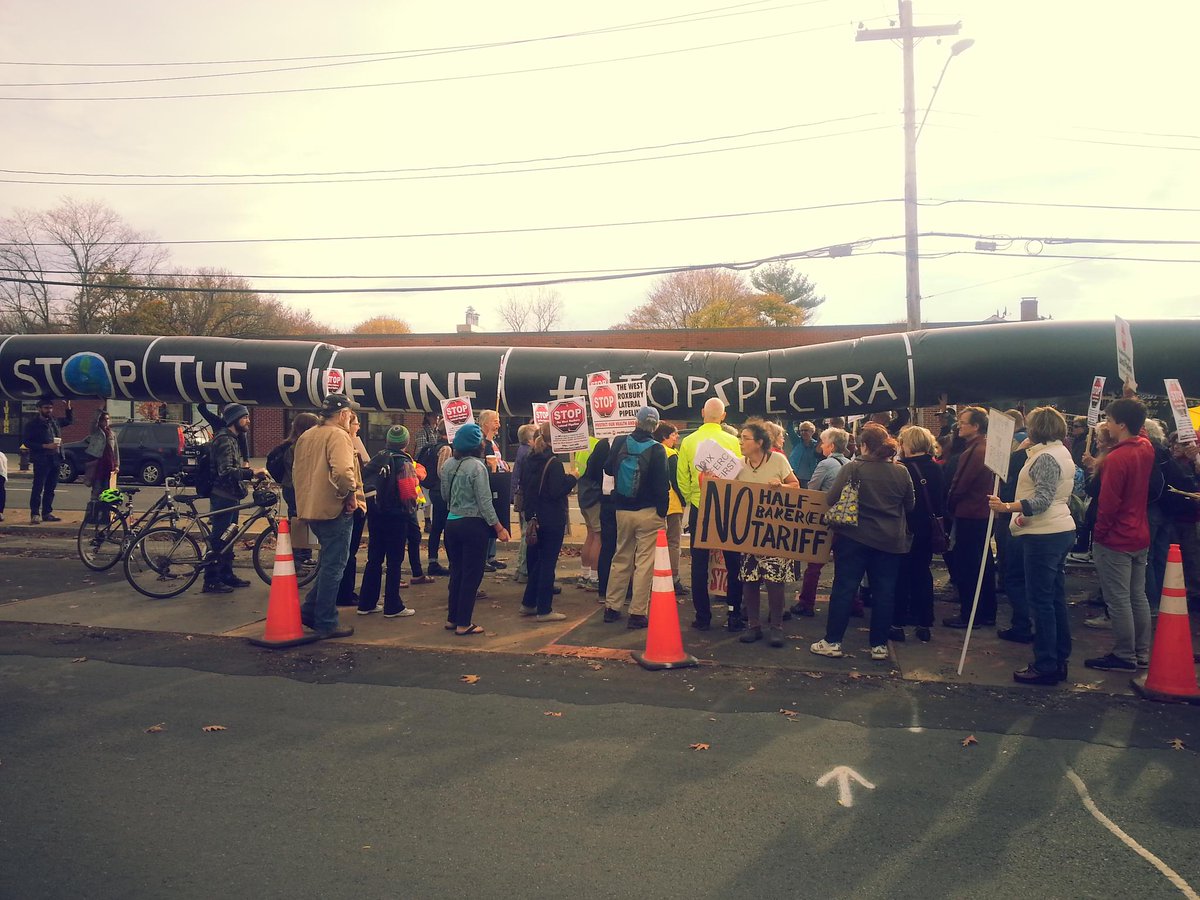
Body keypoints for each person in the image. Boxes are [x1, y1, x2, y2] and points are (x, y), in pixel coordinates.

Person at [986, 407, 1077, 685]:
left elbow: (1041, 500)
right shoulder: (1060, 452)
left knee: (1041, 600)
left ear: (1036, 429)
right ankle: (1057, 657)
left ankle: (1046, 662)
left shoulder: (1046, 457)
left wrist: (1006, 507)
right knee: (1053, 598)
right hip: (1058, 529)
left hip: (1043, 533)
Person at [811, 423, 914, 661]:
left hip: (853, 538)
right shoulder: (901, 472)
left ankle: (833, 641)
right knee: (884, 592)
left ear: (863, 445)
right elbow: (910, 505)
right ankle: (879, 646)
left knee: (845, 588)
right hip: (890, 541)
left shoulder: (853, 468)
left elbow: (830, 497)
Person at [1084, 398, 1155, 672]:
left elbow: (1108, 505)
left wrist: (1099, 535)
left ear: (1121, 424)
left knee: (1119, 599)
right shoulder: (1144, 447)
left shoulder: (1116, 458)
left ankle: (1125, 655)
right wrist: (1130, 394)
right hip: (1139, 533)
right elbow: (1143, 430)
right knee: (1138, 595)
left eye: (1110, 420)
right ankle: (1141, 651)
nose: (1107, 424)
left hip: (1116, 537)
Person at [293, 393, 364, 640]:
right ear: (344, 414)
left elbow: (298, 471)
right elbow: (344, 472)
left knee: (327, 563)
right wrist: (349, 495)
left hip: (311, 507)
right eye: (350, 414)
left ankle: (310, 610)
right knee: (335, 565)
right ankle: (326, 620)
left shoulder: (307, 435)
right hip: (334, 509)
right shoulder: (339, 436)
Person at [677, 397, 745, 632]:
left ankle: (703, 616)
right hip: (726, 506)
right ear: (723, 416)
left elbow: (681, 477)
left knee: (699, 563)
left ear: (702, 413)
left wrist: (691, 499)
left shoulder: (688, 441)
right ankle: (734, 614)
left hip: (700, 506)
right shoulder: (733, 441)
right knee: (733, 561)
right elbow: (739, 474)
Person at [602, 406, 670, 629]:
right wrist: (663, 512)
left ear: (635, 422)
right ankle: (637, 613)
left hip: (622, 510)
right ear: (656, 426)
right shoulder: (658, 450)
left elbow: (608, 469)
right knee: (644, 563)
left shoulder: (621, 441)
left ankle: (612, 607)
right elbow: (662, 486)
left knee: (621, 556)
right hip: (649, 512)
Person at [441, 422, 510, 636]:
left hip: (451, 523)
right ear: (476, 444)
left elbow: (444, 495)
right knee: (472, 575)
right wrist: (499, 527)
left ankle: (453, 618)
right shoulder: (477, 467)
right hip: (473, 526)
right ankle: (464, 623)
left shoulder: (448, 465)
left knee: (457, 572)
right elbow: (485, 501)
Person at [736, 420, 800, 647]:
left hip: (772, 533)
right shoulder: (738, 464)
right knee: (749, 580)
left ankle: (776, 626)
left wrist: (781, 486)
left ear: (759, 442)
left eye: (745, 438)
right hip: (747, 532)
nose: (741, 442)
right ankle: (753, 626)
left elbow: (796, 485)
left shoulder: (778, 460)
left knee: (775, 581)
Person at [357, 425, 420, 619]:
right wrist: (411, 510)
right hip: (396, 516)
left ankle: (366, 602)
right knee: (394, 561)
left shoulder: (378, 458)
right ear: (406, 443)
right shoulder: (403, 462)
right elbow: (409, 493)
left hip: (376, 515)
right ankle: (393, 605)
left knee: (374, 558)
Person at [944, 406, 998, 629]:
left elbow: (960, 485)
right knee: (983, 564)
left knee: (969, 566)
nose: (959, 426)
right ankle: (986, 611)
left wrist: (950, 505)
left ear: (976, 426)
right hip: (983, 513)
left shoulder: (975, 452)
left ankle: (970, 614)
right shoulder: (986, 448)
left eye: (963, 422)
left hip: (971, 514)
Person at [204, 403, 266, 594]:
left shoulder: (234, 438)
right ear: (234, 420)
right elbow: (225, 471)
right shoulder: (224, 440)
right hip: (222, 496)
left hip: (231, 495)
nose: (248, 420)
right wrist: (252, 473)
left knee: (229, 538)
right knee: (219, 538)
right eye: (245, 417)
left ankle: (227, 575)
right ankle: (211, 580)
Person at [520, 423, 577, 621]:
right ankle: (544, 609)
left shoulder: (530, 459)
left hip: (534, 517)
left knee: (536, 562)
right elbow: (556, 491)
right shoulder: (554, 462)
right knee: (547, 563)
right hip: (552, 518)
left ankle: (529, 602)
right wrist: (572, 479)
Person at [791, 427, 850, 617]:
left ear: (831, 446)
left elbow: (812, 488)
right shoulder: (851, 463)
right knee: (846, 566)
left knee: (815, 564)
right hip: (847, 520)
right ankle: (852, 604)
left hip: (827, 519)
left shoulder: (826, 465)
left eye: (824, 443)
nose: (821, 446)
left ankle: (806, 602)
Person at [893, 425, 943, 643]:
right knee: (923, 573)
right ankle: (924, 623)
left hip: (904, 528)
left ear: (908, 444)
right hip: (927, 529)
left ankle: (897, 623)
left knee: (900, 576)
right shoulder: (936, 468)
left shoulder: (901, 468)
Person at [336, 412, 371, 607]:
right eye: (356, 423)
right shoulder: (346, 444)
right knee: (348, 552)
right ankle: (344, 593)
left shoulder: (351, 442)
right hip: (353, 504)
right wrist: (353, 499)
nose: (358, 426)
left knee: (345, 552)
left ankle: (345, 591)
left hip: (354, 503)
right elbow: (347, 474)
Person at [23, 395, 72, 524]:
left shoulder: (54, 421)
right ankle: (35, 514)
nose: (49, 410)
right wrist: (44, 446)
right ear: (39, 408)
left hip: (55, 458)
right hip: (41, 459)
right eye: (46, 408)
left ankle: (47, 512)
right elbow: (26, 442)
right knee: (38, 487)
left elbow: (68, 421)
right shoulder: (32, 424)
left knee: (51, 487)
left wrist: (68, 407)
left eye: (50, 408)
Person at [654, 421, 688, 596]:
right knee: (673, 542)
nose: (677, 437)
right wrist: (684, 499)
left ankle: (655, 577)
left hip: (655, 504)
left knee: (654, 543)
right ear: (664, 436)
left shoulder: (651, 450)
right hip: (672, 503)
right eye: (674, 434)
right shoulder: (671, 454)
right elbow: (678, 481)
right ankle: (673, 579)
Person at [477, 409, 510, 571]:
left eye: (498, 420)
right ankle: (483, 558)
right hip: (486, 483)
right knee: (488, 518)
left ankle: (491, 555)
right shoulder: (481, 441)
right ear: (484, 423)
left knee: (497, 514)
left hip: (497, 482)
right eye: (494, 420)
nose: (498, 423)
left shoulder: (493, 442)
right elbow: (485, 457)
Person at [574, 436, 604, 592]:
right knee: (599, 536)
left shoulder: (583, 442)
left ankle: (584, 574)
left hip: (584, 494)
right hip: (594, 495)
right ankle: (594, 577)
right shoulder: (599, 445)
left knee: (590, 534)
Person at [511, 423, 538, 584]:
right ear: (530, 439)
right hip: (526, 497)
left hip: (521, 496)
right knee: (526, 533)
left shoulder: (521, 451)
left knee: (524, 532)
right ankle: (523, 569)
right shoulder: (528, 453)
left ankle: (520, 569)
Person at [83, 409, 120, 502]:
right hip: (97, 463)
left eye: (108, 419)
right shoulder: (96, 432)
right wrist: (99, 410)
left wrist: (117, 464)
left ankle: (104, 512)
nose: (106, 421)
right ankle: (93, 510)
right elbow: (93, 422)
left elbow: (115, 450)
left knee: (107, 489)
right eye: (104, 419)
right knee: (97, 487)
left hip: (108, 463)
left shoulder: (112, 433)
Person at [788, 421, 820, 487]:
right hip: (794, 476)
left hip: (809, 478)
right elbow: (789, 429)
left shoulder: (816, 445)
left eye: (806, 430)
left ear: (812, 431)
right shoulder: (796, 441)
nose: (803, 432)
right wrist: (793, 416)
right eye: (801, 430)